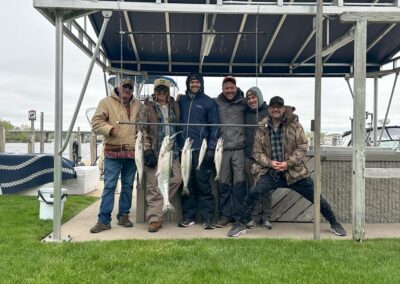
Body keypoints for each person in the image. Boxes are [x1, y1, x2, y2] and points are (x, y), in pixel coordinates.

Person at [228, 96, 347, 237]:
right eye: (273, 107)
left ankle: (334, 223)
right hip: (271, 172)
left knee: (316, 197)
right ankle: (240, 224)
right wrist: (270, 163)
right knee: (254, 193)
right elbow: (257, 151)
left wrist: (287, 163)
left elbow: (303, 147)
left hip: (294, 173)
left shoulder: (295, 125)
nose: (275, 109)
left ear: (283, 109)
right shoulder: (262, 126)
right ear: (269, 109)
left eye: (279, 107)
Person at [90, 78, 142, 233]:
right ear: (118, 87)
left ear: (133, 90)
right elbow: (96, 122)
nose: (127, 89)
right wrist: (111, 130)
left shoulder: (138, 105)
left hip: (132, 153)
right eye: (124, 86)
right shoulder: (105, 102)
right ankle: (103, 220)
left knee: (127, 186)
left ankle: (123, 215)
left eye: (130, 87)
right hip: (113, 152)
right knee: (110, 186)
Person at [178, 73, 219, 229]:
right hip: (184, 149)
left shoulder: (209, 102)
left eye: (197, 82)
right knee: (187, 183)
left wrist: (211, 148)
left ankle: (208, 218)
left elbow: (214, 126)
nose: (194, 84)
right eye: (192, 82)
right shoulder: (181, 100)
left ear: (201, 84)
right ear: (188, 84)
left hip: (200, 150)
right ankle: (188, 217)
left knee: (203, 183)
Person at [141, 78, 182, 233]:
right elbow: (141, 130)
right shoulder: (147, 107)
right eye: (159, 90)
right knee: (152, 186)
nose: (162, 93)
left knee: (177, 179)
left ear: (168, 92)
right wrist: (147, 151)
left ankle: (162, 203)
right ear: (155, 92)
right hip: (154, 152)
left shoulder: (175, 106)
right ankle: (155, 219)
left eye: (164, 90)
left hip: (172, 152)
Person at [214, 76, 247, 228]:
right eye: (226, 88)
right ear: (222, 89)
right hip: (222, 150)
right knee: (223, 184)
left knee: (239, 184)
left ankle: (239, 215)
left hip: (239, 149)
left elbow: (259, 107)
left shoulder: (244, 102)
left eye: (231, 88)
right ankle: (225, 215)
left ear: (236, 88)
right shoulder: (216, 102)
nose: (229, 91)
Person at [244, 87, 272, 230]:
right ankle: (254, 217)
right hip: (249, 156)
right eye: (248, 99)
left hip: (266, 158)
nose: (251, 101)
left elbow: (286, 114)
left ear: (259, 97)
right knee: (252, 188)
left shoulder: (268, 111)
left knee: (266, 188)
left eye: (254, 97)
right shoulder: (245, 112)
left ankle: (266, 217)